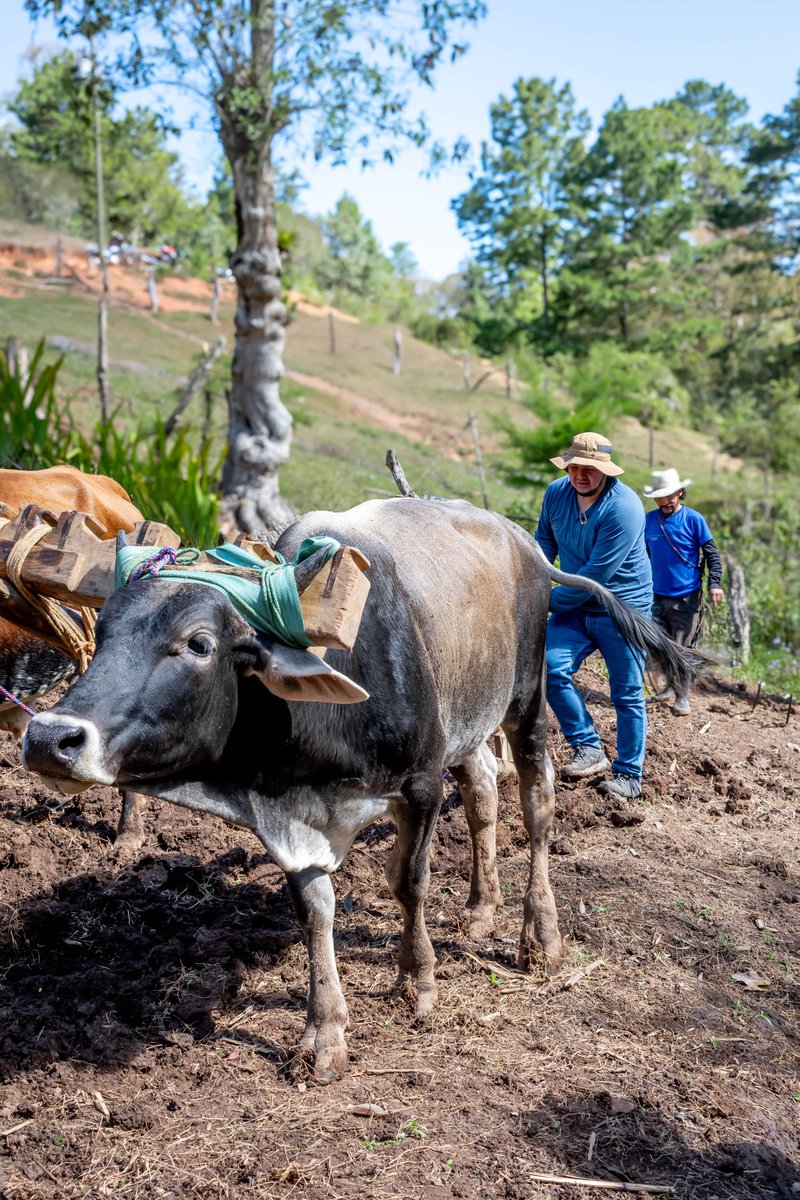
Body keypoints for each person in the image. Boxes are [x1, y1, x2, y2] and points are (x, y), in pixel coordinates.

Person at [536, 432, 653, 801]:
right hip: (575, 606)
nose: (580, 475)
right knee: (549, 668)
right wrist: (532, 581)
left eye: (589, 468)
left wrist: (541, 601)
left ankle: (629, 776)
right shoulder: (556, 493)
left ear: (606, 470)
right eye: (574, 467)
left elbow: (594, 578)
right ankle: (588, 747)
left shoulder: (624, 509)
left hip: (621, 608)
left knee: (627, 692)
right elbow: (543, 544)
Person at [642, 467, 724, 716]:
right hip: (656, 595)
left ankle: (682, 696)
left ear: (680, 492)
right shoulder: (648, 520)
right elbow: (641, 554)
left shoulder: (694, 519)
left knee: (681, 648)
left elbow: (712, 554)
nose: (665, 501)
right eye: (660, 497)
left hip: (686, 597)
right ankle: (669, 686)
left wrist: (715, 584)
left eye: (670, 495)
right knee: (659, 645)